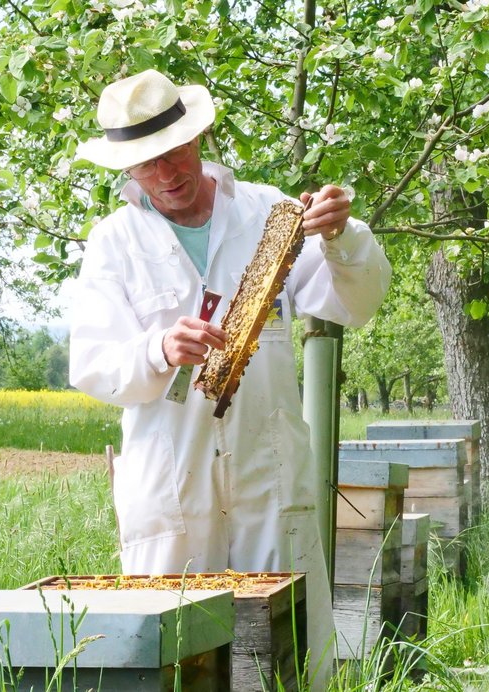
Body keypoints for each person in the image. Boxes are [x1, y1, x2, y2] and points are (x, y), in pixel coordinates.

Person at [67, 69, 391, 675]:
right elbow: (92, 364)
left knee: (282, 659)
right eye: (147, 163)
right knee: (175, 662)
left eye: (174, 152)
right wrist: (159, 349)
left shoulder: (268, 212)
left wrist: (341, 236)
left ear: (196, 138)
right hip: (172, 481)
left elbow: (357, 303)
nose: (166, 173)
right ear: (127, 168)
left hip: (268, 473)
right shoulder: (113, 242)